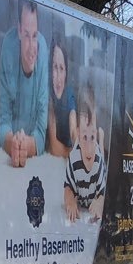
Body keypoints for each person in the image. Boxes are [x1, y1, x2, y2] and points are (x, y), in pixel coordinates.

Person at [0, 0, 49, 167]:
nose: (32, 47)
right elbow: (3, 120)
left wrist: (26, 145)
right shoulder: (8, 46)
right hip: (14, 141)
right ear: (19, 31)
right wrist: (12, 143)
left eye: (34, 35)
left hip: (29, 147)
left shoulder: (42, 49)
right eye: (26, 35)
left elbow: (41, 131)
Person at [63, 83, 105, 223]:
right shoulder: (73, 159)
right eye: (84, 137)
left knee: (101, 155)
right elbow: (68, 188)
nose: (89, 147)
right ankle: (78, 131)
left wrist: (99, 202)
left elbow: (103, 193)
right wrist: (70, 202)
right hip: (78, 136)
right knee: (77, 136)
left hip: (96, 152)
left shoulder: (98, 161)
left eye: (92, 137)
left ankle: (100, 139)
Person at [46, 37, 77, 159]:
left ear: (66, 73)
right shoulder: (47, 94)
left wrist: (79, 144)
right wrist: (75, 154)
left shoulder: (69, 95)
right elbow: (54, 148)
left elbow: (73, 131)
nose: (58, 76)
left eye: (61, 68)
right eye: (55, 67)